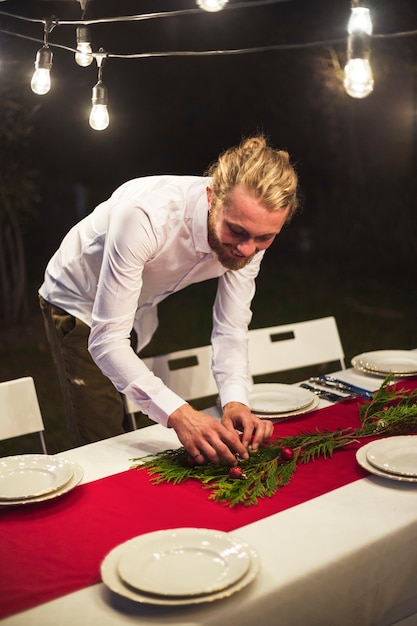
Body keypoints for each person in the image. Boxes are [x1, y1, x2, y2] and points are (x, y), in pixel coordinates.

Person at [39, 135, 299, 465]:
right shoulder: (146, 215)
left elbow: (231, 328)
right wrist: (180, 415)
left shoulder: (250, 229)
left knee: (130, 408)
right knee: (103, 439)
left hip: (138, 305)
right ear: (211, 198)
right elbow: (106, 342)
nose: (247, 249)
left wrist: (235, 400)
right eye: (236, 231)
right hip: (78, 300)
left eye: (265, 238)